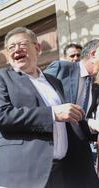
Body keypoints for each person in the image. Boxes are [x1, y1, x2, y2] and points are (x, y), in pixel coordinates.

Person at [0, 26, 95, 188]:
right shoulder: (0, 76)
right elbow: (0, 116)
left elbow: (66, 120)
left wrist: (91, 127)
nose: (17, 49)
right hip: (22, 173)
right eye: (11, 47)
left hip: (60, 172)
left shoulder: (54, 82)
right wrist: (52, 113)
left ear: (37, 48)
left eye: (22, 44)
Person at [44, 39, 99, 185]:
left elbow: (82, 119)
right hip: (58, 152)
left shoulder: (94, 86)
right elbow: (37, 97)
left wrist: (93, 127)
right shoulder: (62, 68)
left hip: (81, 152)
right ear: (93, 54)